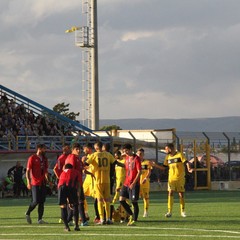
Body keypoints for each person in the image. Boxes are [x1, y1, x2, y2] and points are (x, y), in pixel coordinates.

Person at [151, 143, 193, 218]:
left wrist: (189, 168)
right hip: (171, 179)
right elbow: (164, 168)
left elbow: (186, 162)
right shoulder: (167, 157)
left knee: (181, 194)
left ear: (171, 148)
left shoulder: (179, 155)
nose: (165, 150)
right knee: (170, 193)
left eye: (166, 149)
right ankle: (169, 212)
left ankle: (182, 211)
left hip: (180, 178)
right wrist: (155, 165)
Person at [85, 141, 116, 225]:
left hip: (98, 181)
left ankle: (102, 219)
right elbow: (114, 163)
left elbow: (86, 163)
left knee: (99, 200)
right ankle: (108, 218)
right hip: (107, 180)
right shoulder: (108, 154)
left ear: (96, 147)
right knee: (107, 200)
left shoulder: (94, 155)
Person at [65, 142, 93, 226]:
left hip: (78, 182)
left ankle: (69, 219)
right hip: (75, 183)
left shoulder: (77, 158)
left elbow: (82, 168)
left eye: (79, 149)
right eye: (76, 149)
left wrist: (90, 172)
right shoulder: (72, 158)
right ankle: (83, 221)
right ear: (72, 150)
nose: (78, 150)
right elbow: (71, 171)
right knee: (80, 201)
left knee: (75, 202)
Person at [25, 143, 51, 224]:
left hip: (43, 182)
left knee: (42, 201)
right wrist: (28, 182)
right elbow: (28, 171)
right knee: (35, 201)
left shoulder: (45, 159)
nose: (45, 150)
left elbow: (46, 172)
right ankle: (28, 213)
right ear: (39, 149)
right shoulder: (32, 158)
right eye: (44, 149)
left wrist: (49, 181)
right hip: (35, 182)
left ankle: (40, 219)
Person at [119, 143, 141, 226]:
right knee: (121, 200)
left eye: (127, 150)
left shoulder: (136, 159)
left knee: (134, 202)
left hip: (134, 184)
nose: (126, 152)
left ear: (131, 149)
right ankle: (131, 215)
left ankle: (134, 220)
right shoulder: (127, 158)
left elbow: (139, 172)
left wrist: (134, 183)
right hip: (126, 183)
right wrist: (116, 162)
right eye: (124, 151)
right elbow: (125, 167)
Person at [58, 163, 82, 231]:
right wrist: (78, 194)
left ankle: (66, 227)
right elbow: (79, 184)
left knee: (63, 207)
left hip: (61, 187)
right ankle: (76, 226)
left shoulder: (62, 173)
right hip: (72, 187)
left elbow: (61, 183)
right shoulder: (76, 172)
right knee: (75, 206)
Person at [53, 143, 71, 224]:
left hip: (66, 180)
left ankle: (65, 217)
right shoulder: (62, 158)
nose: (70, 150)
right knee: (66, 200)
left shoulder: (67, 157)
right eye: (68, 149)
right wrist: (59, 177)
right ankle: (65, 218)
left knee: (66, 200)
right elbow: (55, 169)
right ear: (65, 150)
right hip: (63, 181)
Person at [137, 148, 152, 218]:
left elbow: (149, 172)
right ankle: (134, 212)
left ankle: (146, 212)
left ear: (143, 155)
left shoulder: (147, 162)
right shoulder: (135, 162)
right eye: (139, 154)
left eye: (141, 154)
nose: (140, 155)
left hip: (145, 183)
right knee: (134, 198)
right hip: (136, 183)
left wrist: (146, 178)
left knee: (146, 198)